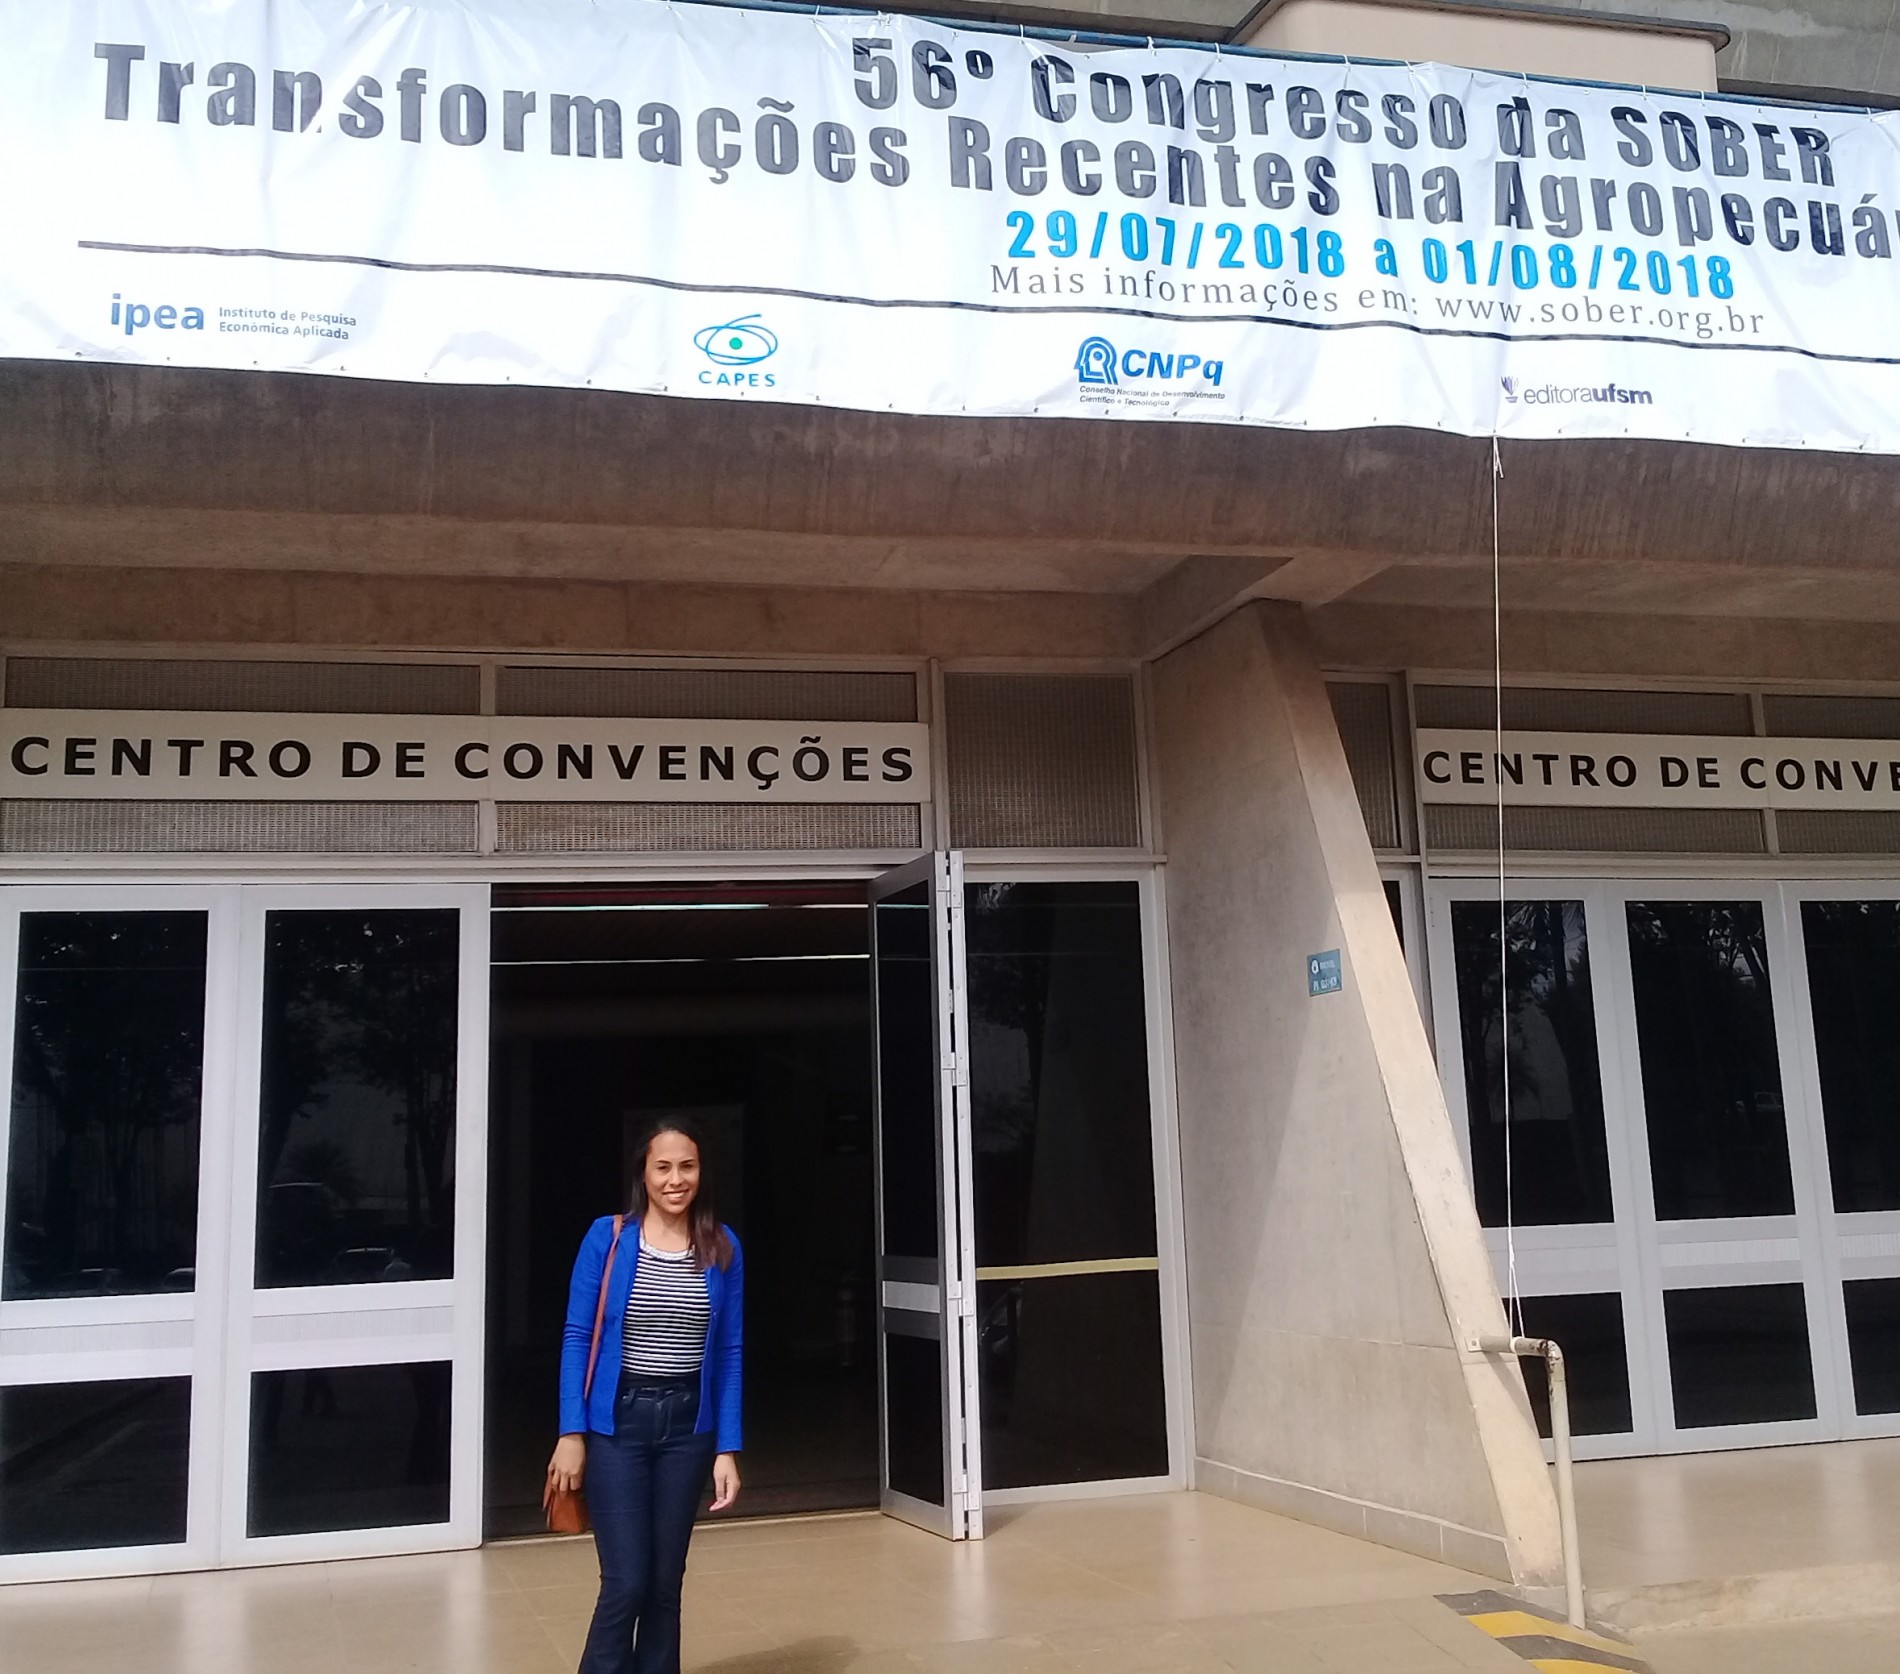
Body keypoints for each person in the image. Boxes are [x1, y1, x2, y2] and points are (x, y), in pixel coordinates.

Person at [549, 1117, 743, 1674]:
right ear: (643, 1173)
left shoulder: (722, 1245)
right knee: (626, 1581)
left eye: (687, 1167)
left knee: (664, 1584)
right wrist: (571, 1432)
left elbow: (729, 1351)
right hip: (618, 1426)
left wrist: (727, 1448)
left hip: (688, 1429)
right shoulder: (607, 1238)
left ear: (702, 1172)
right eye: (663, 1167)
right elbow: (577, 1336)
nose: (675, 1180)